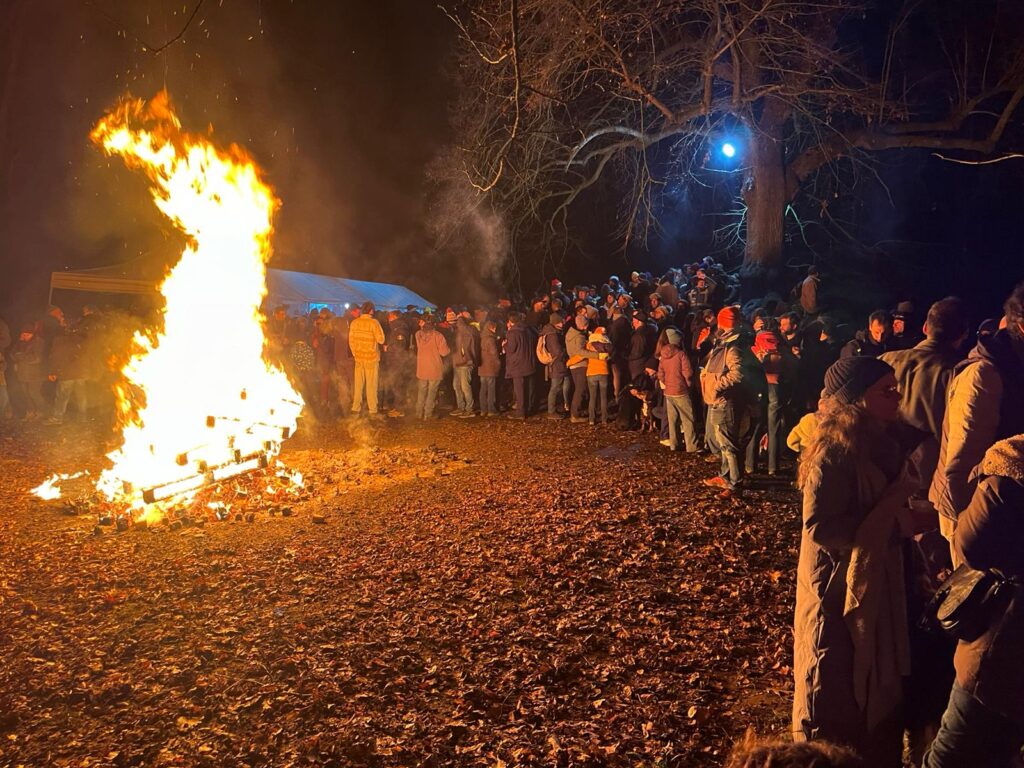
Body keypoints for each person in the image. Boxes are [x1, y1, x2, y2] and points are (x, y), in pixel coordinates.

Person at [793, 356, 930, 766]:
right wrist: (894, 525)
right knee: (837, 679)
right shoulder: (834, 449)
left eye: (897, 389)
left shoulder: (885, 441)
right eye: (885, 391)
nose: (897, 397)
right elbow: (820, 525)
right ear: (855, 400)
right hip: (836, 587)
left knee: (878, 683)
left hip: (882, 580)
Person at [924, 434, 1024, 768]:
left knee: (949, 757)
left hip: (1006, 650)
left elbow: (971, 545)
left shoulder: (1013, 464)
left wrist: (990, 476)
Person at [929, 282, 1024, 553]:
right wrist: (970, 539)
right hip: (977, 517)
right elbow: (961, 469)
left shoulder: (1016, 367)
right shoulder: (984, 375)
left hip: (1007, 511)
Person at [878, 297, 968, 490]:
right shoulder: (959, 373)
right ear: (963, 334)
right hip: (928, 478)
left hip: (881, 472)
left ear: (925, 327)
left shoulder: (884, 362)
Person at [701, 306, 763, 498]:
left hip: (724, 401)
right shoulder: (727, 342)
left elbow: (738, 374)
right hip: (719, 399)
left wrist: (718, 386)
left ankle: (734, 484)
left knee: (728, 444)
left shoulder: (733, 347)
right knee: (723, 441)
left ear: (723, 323)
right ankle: (726, 476)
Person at [657, 328, 698, 452]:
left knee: (672, 419)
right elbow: (688, 372)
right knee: (688, 418)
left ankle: (674, 444)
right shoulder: (681, 354)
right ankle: (692, 446)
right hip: (680, 390)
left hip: (668, 391)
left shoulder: (663, 354)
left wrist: (666, 383)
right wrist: (688, 383)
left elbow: (660, 373)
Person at [348, 301, 386, 417]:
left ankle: (355, 407)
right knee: (371, 385)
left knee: (358, 384)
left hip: (359, 358)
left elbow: (351, 341)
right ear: (371, 310)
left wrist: (355, 354)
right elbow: (381, 340)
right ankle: (372, 409)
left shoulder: (354, 322)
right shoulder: (374, 323)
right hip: (371, 358)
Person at [414, 317, 450, 420]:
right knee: (432, 392)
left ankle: (418, 413)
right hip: (434, 368)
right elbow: (444, 352)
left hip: (422, 367)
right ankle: (428, 414)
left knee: (421, 391)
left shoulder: (418, 334)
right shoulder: (438, 336)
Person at [504, 311, 536, 420]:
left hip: (517, 365)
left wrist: (505, 345)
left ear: (511, 321)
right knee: (528, 387)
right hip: (529, 363)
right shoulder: (528, 330)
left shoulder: (513, 333)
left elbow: (511, 348)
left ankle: (520, 412)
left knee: (519, 389)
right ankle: (528, 408)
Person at [383, 310, 413, 417]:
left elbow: (400, 346)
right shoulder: (395, 328)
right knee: (396, 384)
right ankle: (397, 407)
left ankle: (400, 409)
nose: (388, 319)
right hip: (395, 361)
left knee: (398, 385)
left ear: (395, 317)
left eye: (390, 316)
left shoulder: (400, 329)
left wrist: (388, 347)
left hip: (398, 362)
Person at [11, 324, 45, 420]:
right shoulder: (20, 342)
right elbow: (12, 354)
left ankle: (41, 411)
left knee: (34, 393)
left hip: (35, 374)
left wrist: (21, 356)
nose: (25, 336)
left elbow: (37, 358)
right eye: (23, 334)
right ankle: (30, 411)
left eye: (27, 334)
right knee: (26, 394)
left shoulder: (38, 342)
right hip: (22, 373)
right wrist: (19, 343)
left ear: (32, 334)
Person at [540, 312, 569, 419]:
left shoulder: (551, 332)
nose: (563, 323)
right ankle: (551, 411)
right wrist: (567, 351)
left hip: (556, 364)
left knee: (557, 387)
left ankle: (556, 409)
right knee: (555, 388)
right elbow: (557, 352)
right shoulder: (552, 335)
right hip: (557, 365)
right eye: (561, 321)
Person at [451, 311, 480, 418]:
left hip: (465, 363)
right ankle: (461, 407)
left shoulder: (468, 331)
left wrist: (467, 358)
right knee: (456, 386)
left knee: (465, 387)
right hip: (458, 363)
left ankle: (470, 409)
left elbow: (468, 347)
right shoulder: (458, 332)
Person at [565, 313, 593, 423]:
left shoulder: (570, 334)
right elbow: (581, 352)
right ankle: (575, 415)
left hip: (573, 365)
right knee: (580, 389)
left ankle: (577, 411)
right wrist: (596, 355)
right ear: (584, 325)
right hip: (580, 365)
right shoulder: (580, 337)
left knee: (578, 388)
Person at [478, 319, 502, 416]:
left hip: (482, 367)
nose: (495, 329)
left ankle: (483, 409)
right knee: (491, 389)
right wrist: (498, 363)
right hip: (490, 367)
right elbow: (494, 353)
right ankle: (491, 409)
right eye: (494, 327)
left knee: (483, 389)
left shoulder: (481, 337)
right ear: (491, 327)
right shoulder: (491, 339)